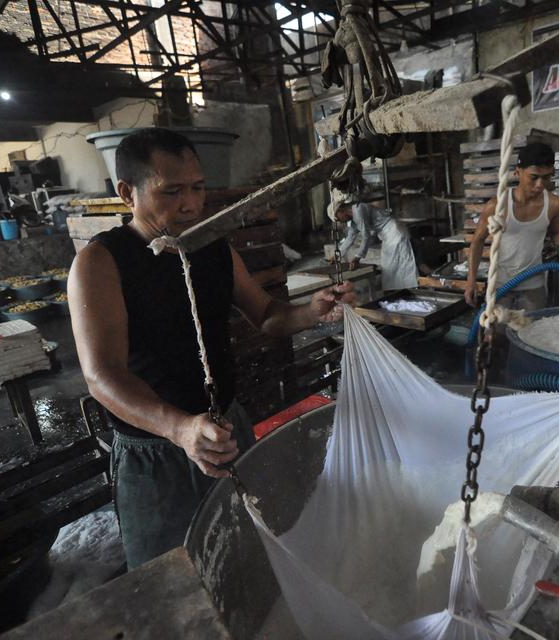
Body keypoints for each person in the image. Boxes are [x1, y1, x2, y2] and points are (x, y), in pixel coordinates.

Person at [68, 128, 354, 569]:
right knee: (172, 577)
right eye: (172, 191)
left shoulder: (211, 246)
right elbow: (102, 376)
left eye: (198, 188)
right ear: (128, 192)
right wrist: (180, 429)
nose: (191, 204)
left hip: (226, 429)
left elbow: (267, 315)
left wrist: (314, 311)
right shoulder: (102, 262)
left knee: (248, 556)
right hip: (157, 454)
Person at [464, 142, 559, 312]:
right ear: (518, 171)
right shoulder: (498, 206)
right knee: (496, 335)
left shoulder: (554, 204)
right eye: (534, 177)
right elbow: (477, 242)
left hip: (534, 287)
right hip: (501, 286)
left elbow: (558, 234)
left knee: (531, 333)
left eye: (547, 177)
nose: (540, 184)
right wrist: (471, 281)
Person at [334, 200, 419, 291]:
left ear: (340, 211)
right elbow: (350, 238)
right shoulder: (354, 221)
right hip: (388, 236)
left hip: (394, 233)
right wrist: (337, 255)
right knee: (390, 267)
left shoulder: (359, 210)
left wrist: (357, 257)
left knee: (402, 265)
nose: (340, 221)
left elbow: (366, 236)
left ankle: (410, 290)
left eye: (338, 218)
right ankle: (400, 292)